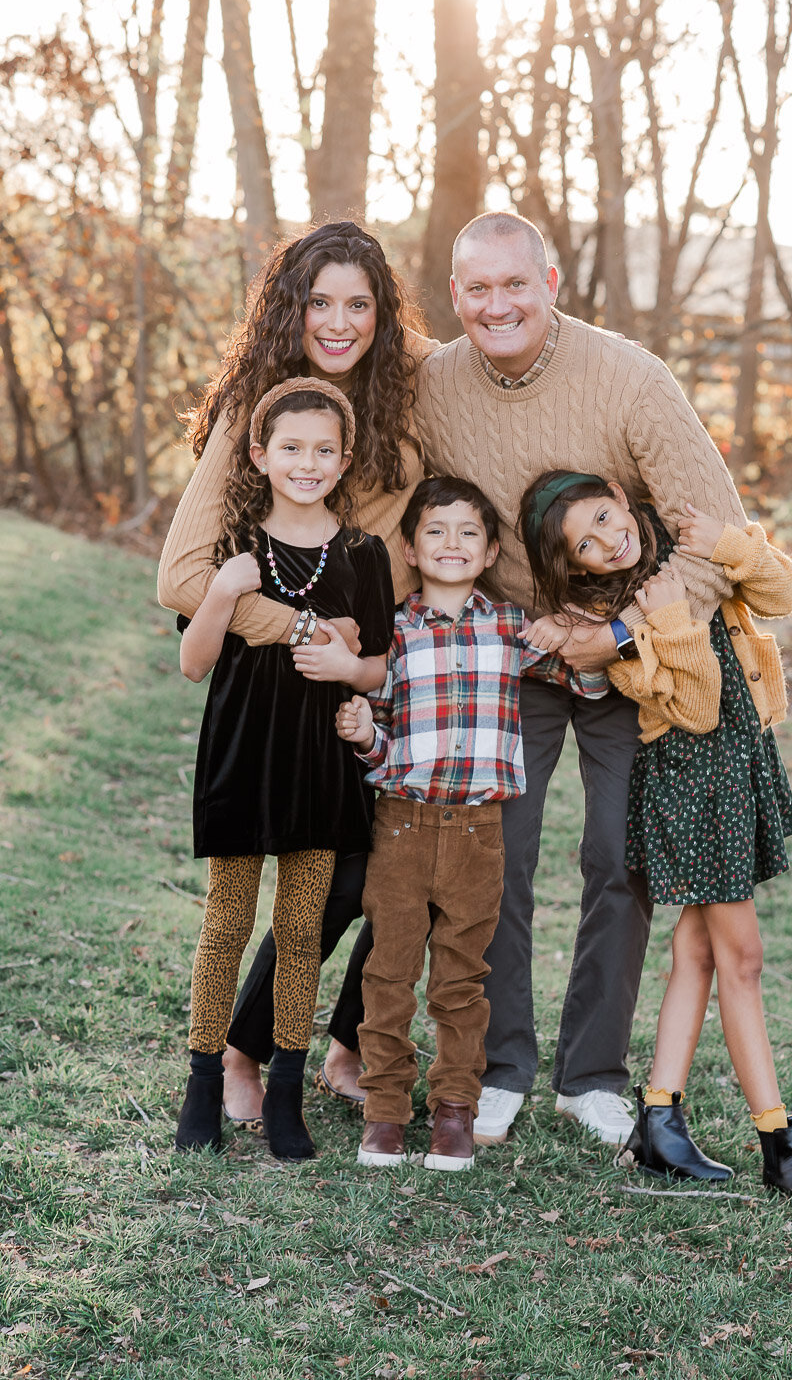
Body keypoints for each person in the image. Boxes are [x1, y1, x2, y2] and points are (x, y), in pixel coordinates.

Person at [412, 211, 749, 1148]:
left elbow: (717, 532)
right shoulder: (435, 386)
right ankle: (499, 1065)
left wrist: (622, 631)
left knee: (618, 855)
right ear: (456, 296)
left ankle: (592, 1074)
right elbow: (407, 508)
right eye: (476, 289)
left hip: (628, 660)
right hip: (514, 652)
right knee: (498, 859)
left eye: (514, 284)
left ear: (550, 282)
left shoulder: (631, 378)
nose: (497, 305)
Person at [157, 222, 438, 1126]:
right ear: (291, 306)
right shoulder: (259, 409)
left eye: (361, 303)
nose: (340, 322)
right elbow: (181, 579)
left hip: (375, 675)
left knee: (409, 868)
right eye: (320, 301)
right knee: (300, 885)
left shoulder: (401, 398)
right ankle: (239, 1053)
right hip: (278, 698)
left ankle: (346, 1043)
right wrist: (305, 629)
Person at [518, 471, 792, 1205]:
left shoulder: (685, 553)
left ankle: (659, 1121)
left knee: (699, 955)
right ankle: (779, 1144)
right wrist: (664, 624)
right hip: (688, 786)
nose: (612, 540)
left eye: (607, 517)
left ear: (619, 495)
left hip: (740, 768)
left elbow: (779, 596)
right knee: (743, 957)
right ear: (575, 567)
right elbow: (697, 707)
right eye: (588, 544)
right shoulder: (613, 628)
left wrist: (730, 545)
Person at [334, 477, 607, 1170]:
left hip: (479, 833)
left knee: (461, 980)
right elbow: (386, 740)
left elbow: (592, 681)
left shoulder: (512, 628)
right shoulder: (392, 631)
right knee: (388, 974)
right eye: (436, 531)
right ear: (411, 547)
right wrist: (366, 733)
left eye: (467, 534)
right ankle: (385, 1111)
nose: (451, 544)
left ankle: (455, 1111)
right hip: (401, 825)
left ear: (489, 552)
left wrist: (571, 628)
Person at [173, 377, 394, 1161]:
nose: (307, 463)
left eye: (323, 450)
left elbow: (376, 665)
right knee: (227, 924)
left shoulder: (364, 555)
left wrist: (353, 681)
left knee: (301, 930)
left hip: (321, 765)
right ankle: (202, 1085)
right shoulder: (233, 544)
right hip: (241, 757)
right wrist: (224, 595)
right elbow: (192, 663)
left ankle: (288, 1091)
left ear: (344, 460)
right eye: (291, 448)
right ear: (261, 455)